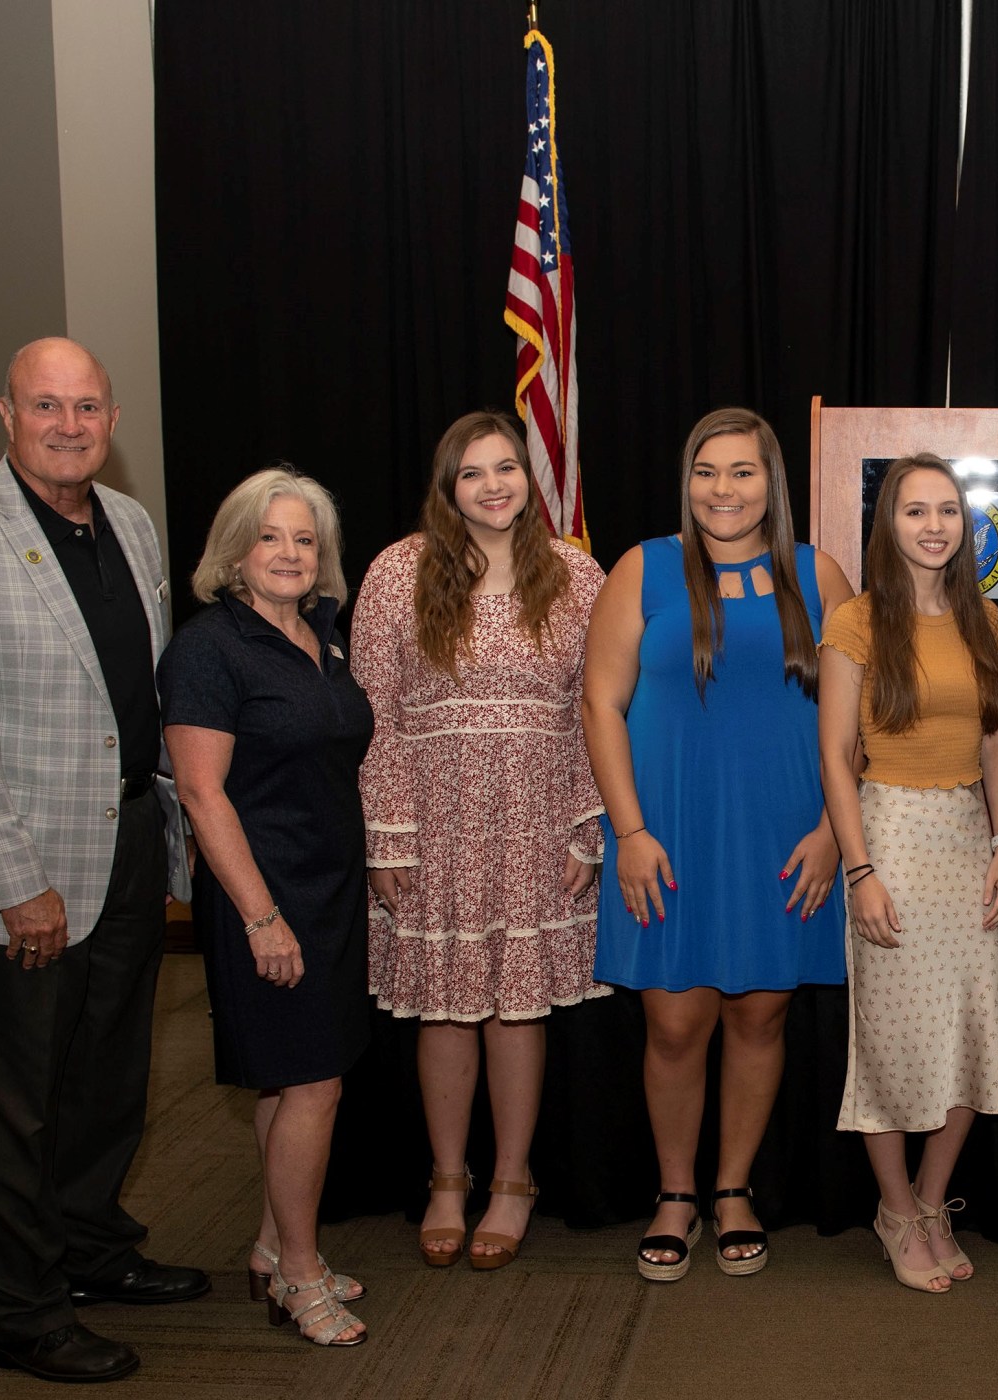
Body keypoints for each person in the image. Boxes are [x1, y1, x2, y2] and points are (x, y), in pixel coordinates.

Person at [0, 337, 204, 1384]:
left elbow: (144, 697)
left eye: (86, 407)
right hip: (21, 869)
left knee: (111, 1074)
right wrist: (14, 881)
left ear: (112, 418)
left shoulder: (131, 521)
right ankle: (22, 1307)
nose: (68, 425)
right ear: (6, 413)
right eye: (45, 406)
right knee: (19, 1095)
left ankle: (93, 1250)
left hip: (122, 846)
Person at [582, 407, 853, 1281]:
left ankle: (732, 1188)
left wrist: (831, 834)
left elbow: (858, 717)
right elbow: (600, 704)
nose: (723, 489)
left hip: (787, 833)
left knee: (762, 1012)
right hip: (669, 831)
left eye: (742, 472)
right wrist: (628, 831)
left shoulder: (820, 574)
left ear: (772, 481)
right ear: (686, 480)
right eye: (707, 471)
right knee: (673, 1018)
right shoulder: (642, 569)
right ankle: (675, 1193)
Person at [353, 411, 607, 1272]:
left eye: (507, 467)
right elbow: (373, 712)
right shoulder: (398, 570)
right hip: (433, 823)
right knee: (448, 1009)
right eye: (472, 472)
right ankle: (448, 1179)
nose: (494, 484)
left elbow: (599, 711)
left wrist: (588, 820)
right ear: (447, 486)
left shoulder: (576, 573)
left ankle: (511, 1180)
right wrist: (385, 836)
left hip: (538, 820)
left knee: (516, 1007)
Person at [160, 469, 374, 1346]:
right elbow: (203, 797)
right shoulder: (209, 648)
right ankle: (297, 1272)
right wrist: (260, 918)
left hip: (330, 888)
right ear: (234, 550)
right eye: (269, 537)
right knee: (313, 1081)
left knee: (292, 1079)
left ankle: (268, 1246)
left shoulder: (322, 635)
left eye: (304, 539)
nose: (288, 553)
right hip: (265, 894)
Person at [817, 454, 998, 1294]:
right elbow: (834, 754)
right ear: (888, 526)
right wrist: (859, 868)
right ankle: (893, 1210)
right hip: (890, 835)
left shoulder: (987, 627)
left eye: (946, 511)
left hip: (970, 842)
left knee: (975, 1033)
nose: (933, 526)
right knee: (894, 1046)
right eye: (914, 511)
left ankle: (933, 1202)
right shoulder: (858, 624)